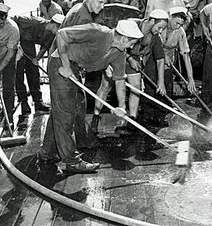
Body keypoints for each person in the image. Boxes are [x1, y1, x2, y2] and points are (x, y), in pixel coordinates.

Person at [37, 20, 143, 173]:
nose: (132, 47)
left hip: (77, 68)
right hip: (60, 64)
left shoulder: (120, 52)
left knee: (73, 109)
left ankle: (47, 152)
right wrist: (66, 66)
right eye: (131, 43)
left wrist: (121, 106)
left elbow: (119, 79)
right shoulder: (98, 32)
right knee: (66, 114)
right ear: (124, 39)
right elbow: (62, 34)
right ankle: (72, 161)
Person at [49, 0, 112, 149]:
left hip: (64, 61)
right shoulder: (83, 17)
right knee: (66, 112)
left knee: (69, 106)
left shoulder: (78, 9)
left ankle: (51, 150)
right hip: (64, 64)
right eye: (100, 2)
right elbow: (67, 39)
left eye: (104, 3)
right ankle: (70, 158)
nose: (102, 6)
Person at [90, 9, 169, 134]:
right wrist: (130, 58)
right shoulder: (132, 25)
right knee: (105, 86)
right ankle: (95, 117)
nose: (160, 31)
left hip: (134, 59)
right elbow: (119, 42)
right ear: (152, 21)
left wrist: (161, 82)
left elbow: (160, 59)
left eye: (162, 29)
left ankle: (132, 120)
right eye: (159, 27)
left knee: (136, 88)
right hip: (118, 54)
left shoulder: (155, 37)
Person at [11, 14, 65, 121]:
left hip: (29, 46)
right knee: (19, 75)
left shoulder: (51, 35)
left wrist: (37, 59)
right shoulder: (34, 22)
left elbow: (44, 47)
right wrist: (16, 40)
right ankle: (23, 103)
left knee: (34, 73)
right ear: (54, 25)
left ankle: (38, 101)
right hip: (19, 45)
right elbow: (14, 19)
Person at [0, 2, 19, 128]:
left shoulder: (12, 29)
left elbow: (11, 52)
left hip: (7, 57)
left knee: (8, 86)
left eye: (1, 23)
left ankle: (9, 116)